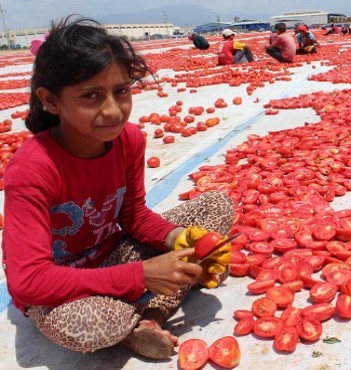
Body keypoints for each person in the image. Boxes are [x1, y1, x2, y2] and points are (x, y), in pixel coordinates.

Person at [1, 16, 235, 360]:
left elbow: (134, 215)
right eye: (91, 96)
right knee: (92, 322)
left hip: (111, 252)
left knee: (216, 204)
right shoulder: (33, 169)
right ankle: (148, 312)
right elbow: (29, 281)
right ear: (51, 100)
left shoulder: (129, 140)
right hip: (60, 286)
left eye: (121, 91)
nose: (113, 110)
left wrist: (179, 239)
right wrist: (141, 276)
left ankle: (147, 320)